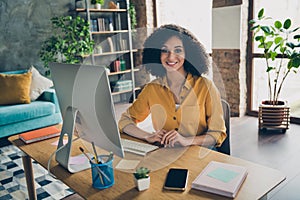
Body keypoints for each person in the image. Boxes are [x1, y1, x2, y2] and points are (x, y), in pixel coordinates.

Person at [118, 24, 226, 148]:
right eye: (164, 50)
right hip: (165, 152)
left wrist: (187, 140)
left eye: (178, 50)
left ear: (188, 54)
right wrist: (147, 136)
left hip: (197, 152)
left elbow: (217, 134)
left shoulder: (205, 86)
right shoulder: (152, 88)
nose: (171, 57)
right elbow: (125, 121)